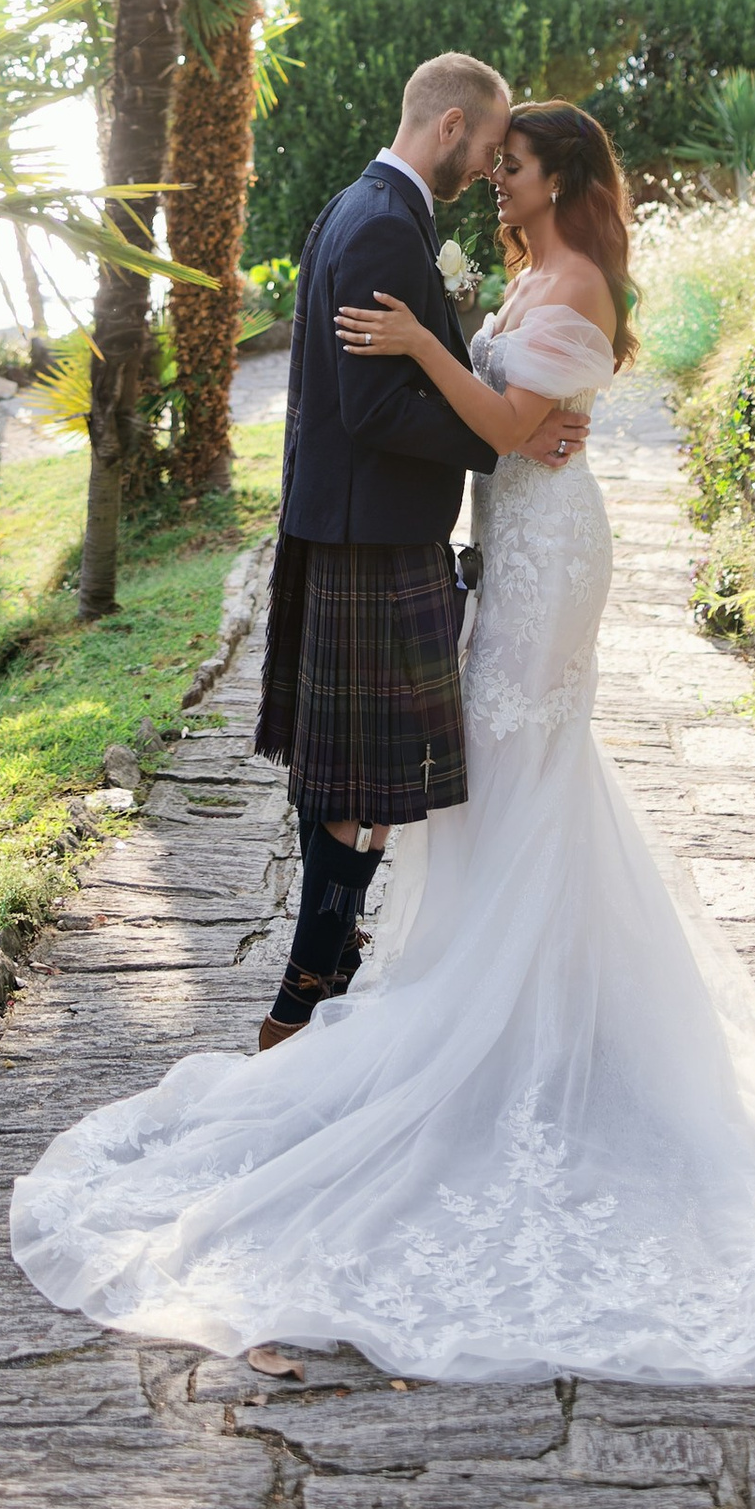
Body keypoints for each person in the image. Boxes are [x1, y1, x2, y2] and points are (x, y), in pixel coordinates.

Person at [8, 96, 755, 1386]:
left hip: (551, 556)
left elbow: (502, 430)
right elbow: (510, 415)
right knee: (502, 777)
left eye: (513, 167)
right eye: (490, 163)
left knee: (518, 763)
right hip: (517, 541)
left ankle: (521, 1027)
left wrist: (419, 348)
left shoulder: (582, 281)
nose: (495, 184)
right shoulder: (528, 272)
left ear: (562, 177)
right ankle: (510, 1002)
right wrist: (456, 353)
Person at [250, 51, 589, 1047]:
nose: (489, 168)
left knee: (360, 775)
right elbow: (370, 407)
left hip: (355, 526)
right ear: (449, 129)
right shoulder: (387, 228)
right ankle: (303, 990)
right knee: (358, 781)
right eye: (487, 148)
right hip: (371, 534)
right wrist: (502, 437)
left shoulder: (359, 209)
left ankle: (327, 960)